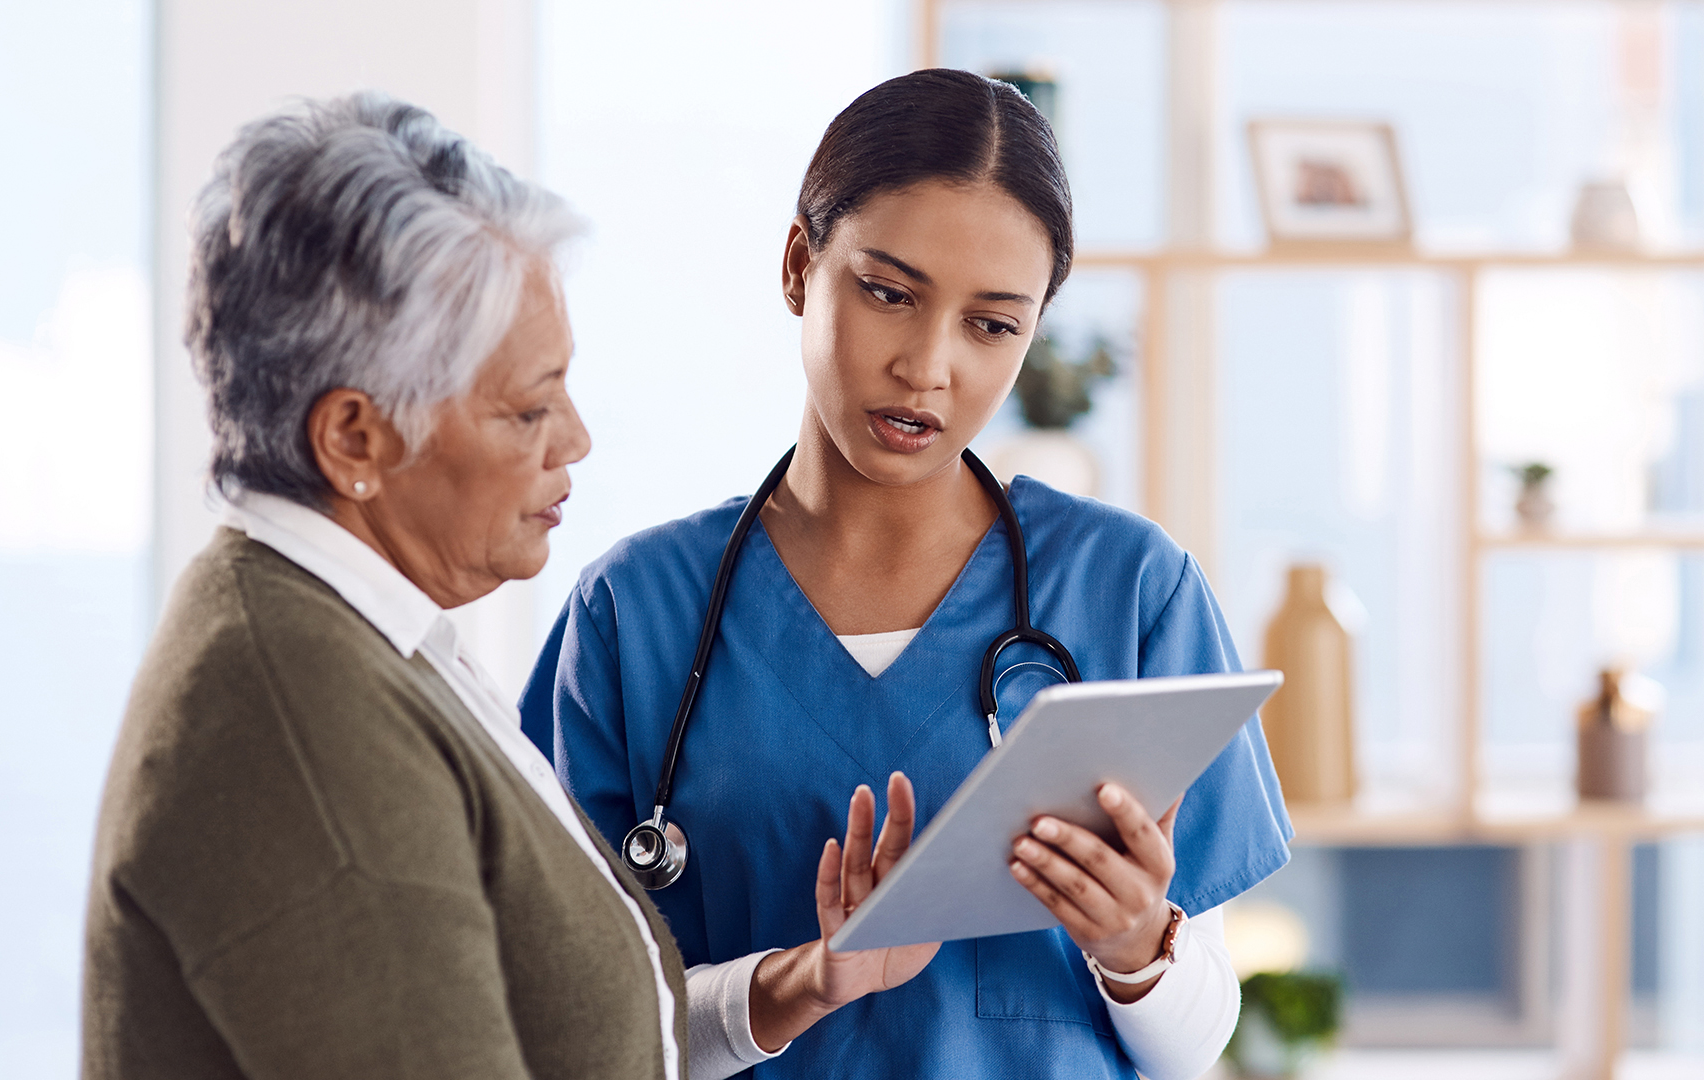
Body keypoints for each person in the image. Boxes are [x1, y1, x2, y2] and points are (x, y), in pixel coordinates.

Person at [82, 93, 885, 1080]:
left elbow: (565, 1028)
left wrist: (798, 985)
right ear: (354, 439)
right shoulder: (305, 721)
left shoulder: (359, 641)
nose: (576, 440)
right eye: (528, 409)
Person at [519, 69, 1293, 1080]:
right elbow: (574, 1022)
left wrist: (1134, 946)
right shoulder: (635, 613)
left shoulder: (1133, 591)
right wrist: (793, 984)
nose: (929, 366)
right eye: (889, 293)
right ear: (800, 265)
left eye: (991, 325)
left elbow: (1198, 1039)